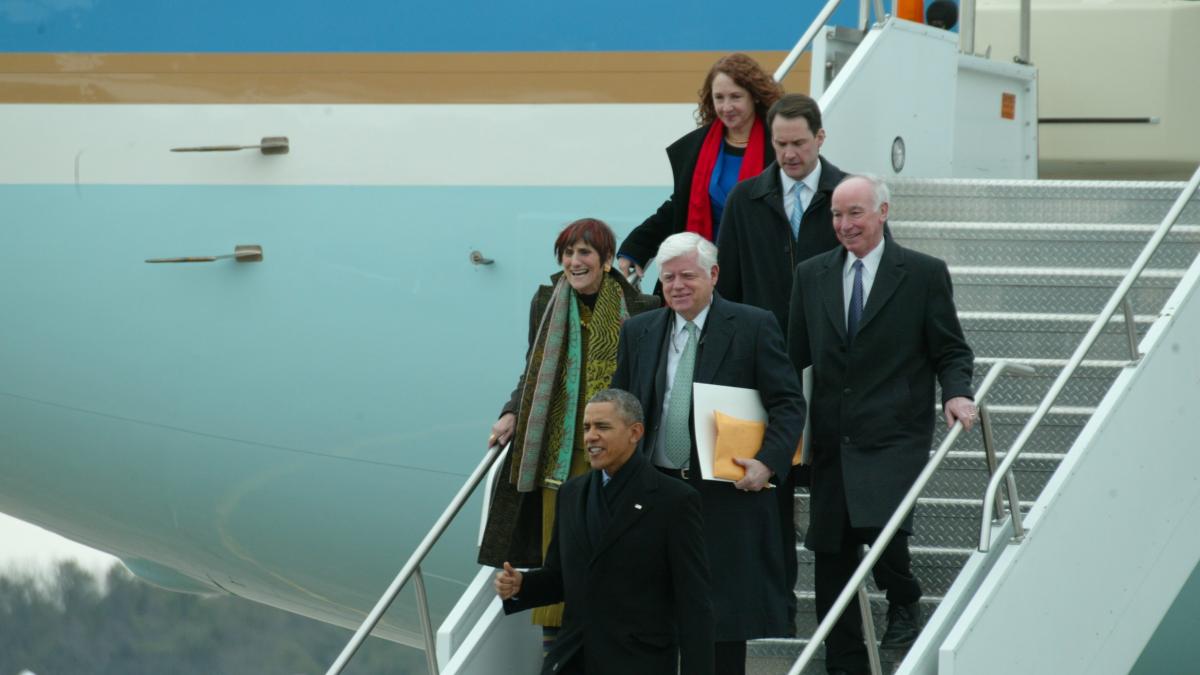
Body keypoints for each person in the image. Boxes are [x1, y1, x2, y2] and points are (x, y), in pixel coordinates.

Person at [786, 175, 976, 674]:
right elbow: (793, 355)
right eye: (836, 215)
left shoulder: (922, 273)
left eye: (855, 214)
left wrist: (957, 392)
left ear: (882, 213)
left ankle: (903, 596)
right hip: (830, 432)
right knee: (831, 551)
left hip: (894, 429)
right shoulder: (811, 274)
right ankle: (844, 663)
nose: (844, 225)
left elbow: (951, 348)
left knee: (880, 526)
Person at [611, 232, 805, 675]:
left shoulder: (753, 325)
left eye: (687, 276)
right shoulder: (639, 330)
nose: (676, 286)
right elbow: (623, 405)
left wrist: (767, 461)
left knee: (719, 622)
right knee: (653, 611)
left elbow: (789, 404)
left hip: (722, 493)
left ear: (713, 275)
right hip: (654, 489)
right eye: (667, 278)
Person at [478, 218, 659, 641]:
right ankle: (556, 643)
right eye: (567, 253)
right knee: (558, 546)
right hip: (558, 447)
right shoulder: (547, 301)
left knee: (605, 544)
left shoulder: (642, 308)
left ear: (607, 260)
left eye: (584, 253)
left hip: (614, 450)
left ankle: (602, 632)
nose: (574, 262)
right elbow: (534, 368)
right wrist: (511, 412)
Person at [713, 92, 847, 630]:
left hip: (833, 367)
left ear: (820, 138)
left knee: (834, 492)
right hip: (766, 367)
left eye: (797, 143)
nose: (788, 154)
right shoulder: (748, 198)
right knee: (772, 495)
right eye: (779, 144)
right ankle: (779, 608)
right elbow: (731, 285)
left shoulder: (846, 195)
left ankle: (842, 618)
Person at [495, 389, 715, 675]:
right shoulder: (571, 494)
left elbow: (694, 603)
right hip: (574, 658)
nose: (590, 437)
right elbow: (561, 577)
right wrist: (522, 585)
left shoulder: (673, 500)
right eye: (586, 428)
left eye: (602, 427)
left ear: (635, 432)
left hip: (637, 662)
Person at [616, 53, 784, 285]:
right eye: (719, 97)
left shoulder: (780, 147)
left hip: (758, 275)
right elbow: (679, 207)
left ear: (754, 97)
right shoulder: (696, 148)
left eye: (736, 97)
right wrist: (636, 247)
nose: (726, 107)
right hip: (702, 272)